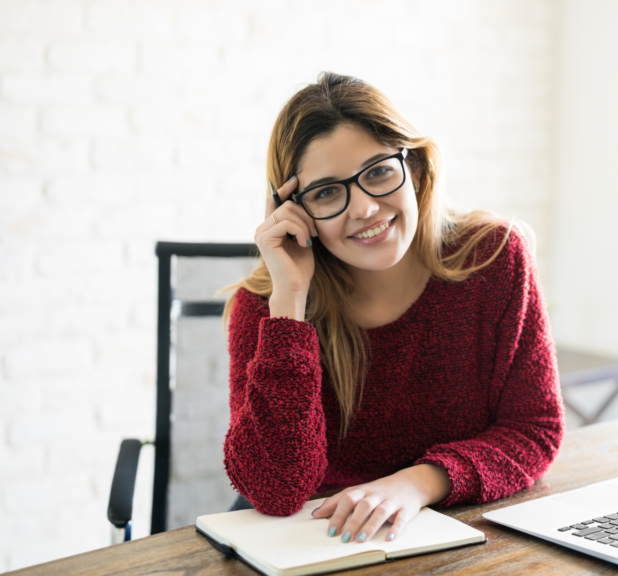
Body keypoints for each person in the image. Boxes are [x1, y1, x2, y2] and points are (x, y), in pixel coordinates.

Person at [222, 72, 563, 545]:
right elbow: (276, 491)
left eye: (378, 171)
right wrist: (290, 305)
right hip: (315, 542)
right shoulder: (267, 308)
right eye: (326, 192)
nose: (363, 208)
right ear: (294, 212)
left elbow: (534, 430)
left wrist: (416, 483)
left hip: (447, 532)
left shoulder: (492, 257)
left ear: (416, 169)